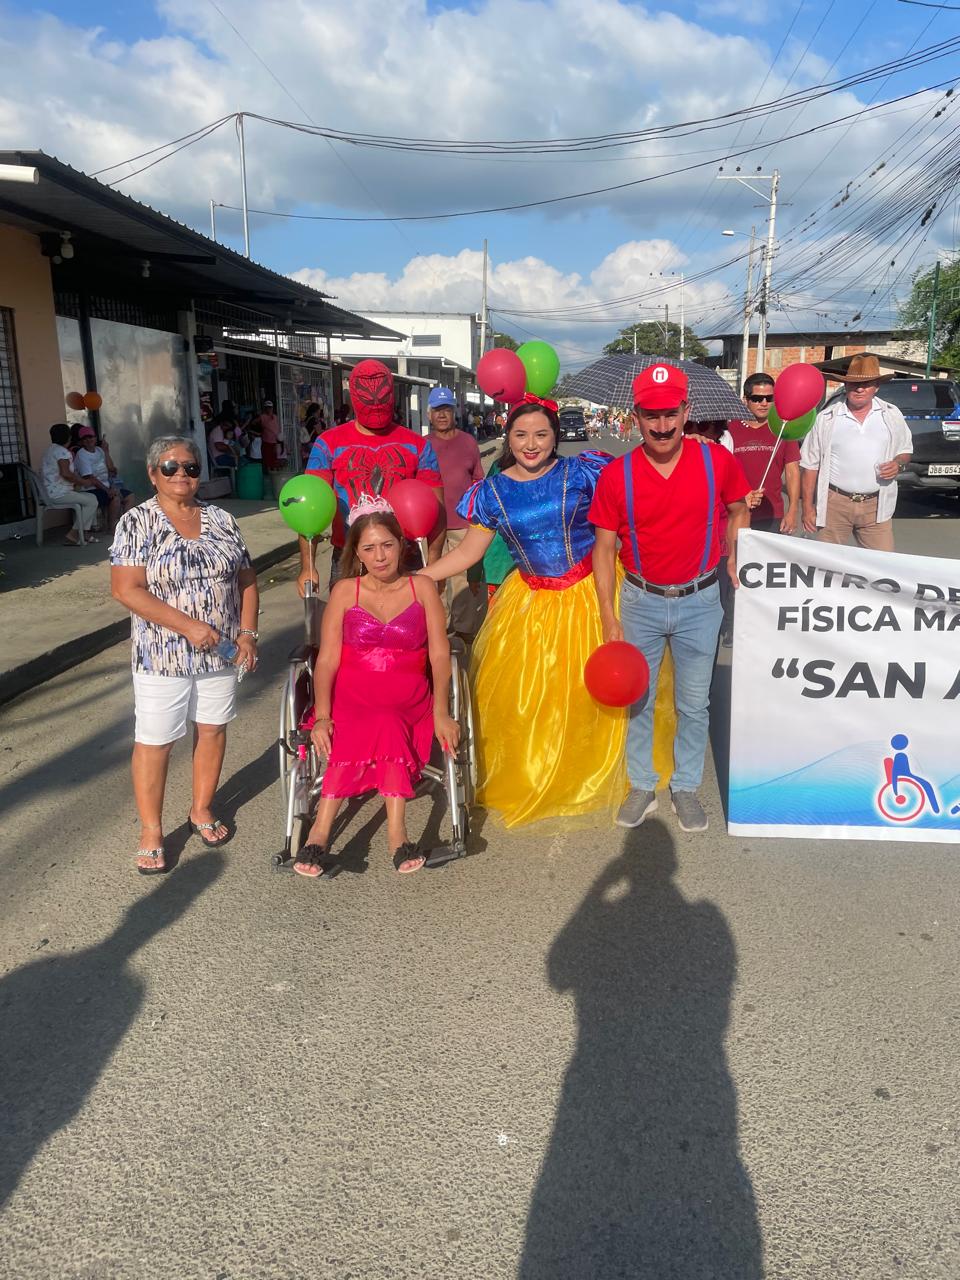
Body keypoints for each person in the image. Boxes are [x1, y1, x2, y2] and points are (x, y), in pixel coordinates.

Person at [419, 397, 626, 828]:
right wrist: (418, 577)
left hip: (589, 594)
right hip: (530, 600)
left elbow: (626, 514)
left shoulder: (582, 472)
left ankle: (582, 772)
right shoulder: (492, 492)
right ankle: (542, 770)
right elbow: (469, 553)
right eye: (521, 435)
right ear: (508, 438)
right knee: (533, 696)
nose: (531, 444)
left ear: (555, 437)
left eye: (541, 434)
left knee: (585, 690)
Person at [590, 364, 751, 834]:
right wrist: (608, 615)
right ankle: (643, 784)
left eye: (670, 414)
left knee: (694, 704)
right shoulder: (617, 475)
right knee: (637, 700)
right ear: (635, 417)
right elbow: (604, 547)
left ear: (686, 411)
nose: (661, 426)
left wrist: (736, 555)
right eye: (651, 415)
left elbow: (739, 510)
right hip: (640, 600)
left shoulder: (716, 461)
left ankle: (685, 786)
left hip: (700, 601)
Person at [110, 436, 259, 875]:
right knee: (156, 740)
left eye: (191, 467)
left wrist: (248, 633)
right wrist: (189, 626)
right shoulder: (136, 522)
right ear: (153, 474)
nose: (181, 474)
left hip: (222, 651)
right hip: (162, 656)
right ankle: (152, 831)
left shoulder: (223, 519)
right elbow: (126, 589)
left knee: (212, 729)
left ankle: (201, 808)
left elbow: (247, 579)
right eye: (170, 467)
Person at [294, 497, 458, 878]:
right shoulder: (344, 591)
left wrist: (441, 712)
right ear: (357, 553)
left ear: (401, 544)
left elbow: (439, 654)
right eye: (369, 548)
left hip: (408, 691)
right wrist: (322, 715)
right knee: (352, 722)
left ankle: (395, 833)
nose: (380, 556)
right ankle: (320, 832)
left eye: (387, 544)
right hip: (353, 690)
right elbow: (327, 660)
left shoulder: (423, 587)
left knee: (387, 719)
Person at [299, 360, 444, 594]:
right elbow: (309, 509)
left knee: (409, 618)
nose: (376, 404)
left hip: (405, 556)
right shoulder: (327, 444)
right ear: (354, 397)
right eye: (368, 398)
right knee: (346, 617)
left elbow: (437, 508)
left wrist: (436, 563)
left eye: (382, 397)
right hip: (349, 557)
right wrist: (307, 566)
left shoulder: (418, 446)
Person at [800, 354, 912, 551]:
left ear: (876, 386)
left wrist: (898, 464)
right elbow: (810, 465)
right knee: (827, 563)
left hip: (876, 505)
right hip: (835, 504)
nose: (859, 389)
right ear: (846, 386)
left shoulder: (891, 415)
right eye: (853, 384)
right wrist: (807, 508)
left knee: (882, 564)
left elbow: (905, 451)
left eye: (866, 384)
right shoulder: (827, 418)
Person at [426, 385, 487, 638]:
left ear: (455, 412)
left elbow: (478, 480)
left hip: (462, 524)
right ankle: (440, 629)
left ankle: (463, 632)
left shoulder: (468, 442)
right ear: (429, 414)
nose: (442, 415)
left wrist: (477, 515)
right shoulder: (423, 445)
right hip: (432, 526)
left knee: (463, 581)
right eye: (437, 410)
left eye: (447, 410)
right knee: (434, 580)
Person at [39, 423, 100, 545]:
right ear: (69, 437)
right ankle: (73, 534)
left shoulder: (50, 450)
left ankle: (83, 533)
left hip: (49, 492)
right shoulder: (62, 452)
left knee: (91, 498)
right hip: (58, 494)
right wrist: (84, 482)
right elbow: (66, 474)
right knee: (91, 501)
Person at [72, 425, 135, 529]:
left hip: (106, 486)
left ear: (95, 438)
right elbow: (90, 478)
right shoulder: (81, 455)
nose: (88, 440)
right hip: (90, 490)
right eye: (85, 438)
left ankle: (126, 525)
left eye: (91, 437)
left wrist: (106, 451)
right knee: (115, 498)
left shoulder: (99, 451)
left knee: (129, 496)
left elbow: (111, 469)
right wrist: (107, 490)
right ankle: (112, 527)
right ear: (81, 441)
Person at [246, 400, 281, 470]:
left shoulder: (275, 417)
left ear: (272, 408)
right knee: (267, 458)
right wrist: (256, 431)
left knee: (274, 458)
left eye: (270, 407)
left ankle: (273, 471)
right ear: (265, 408)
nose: (269, 409)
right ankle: (268, 471)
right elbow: (253, 423)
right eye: (267, 407)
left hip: (275, 440)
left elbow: (278, 427)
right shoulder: (262, 417)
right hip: (266, 440)